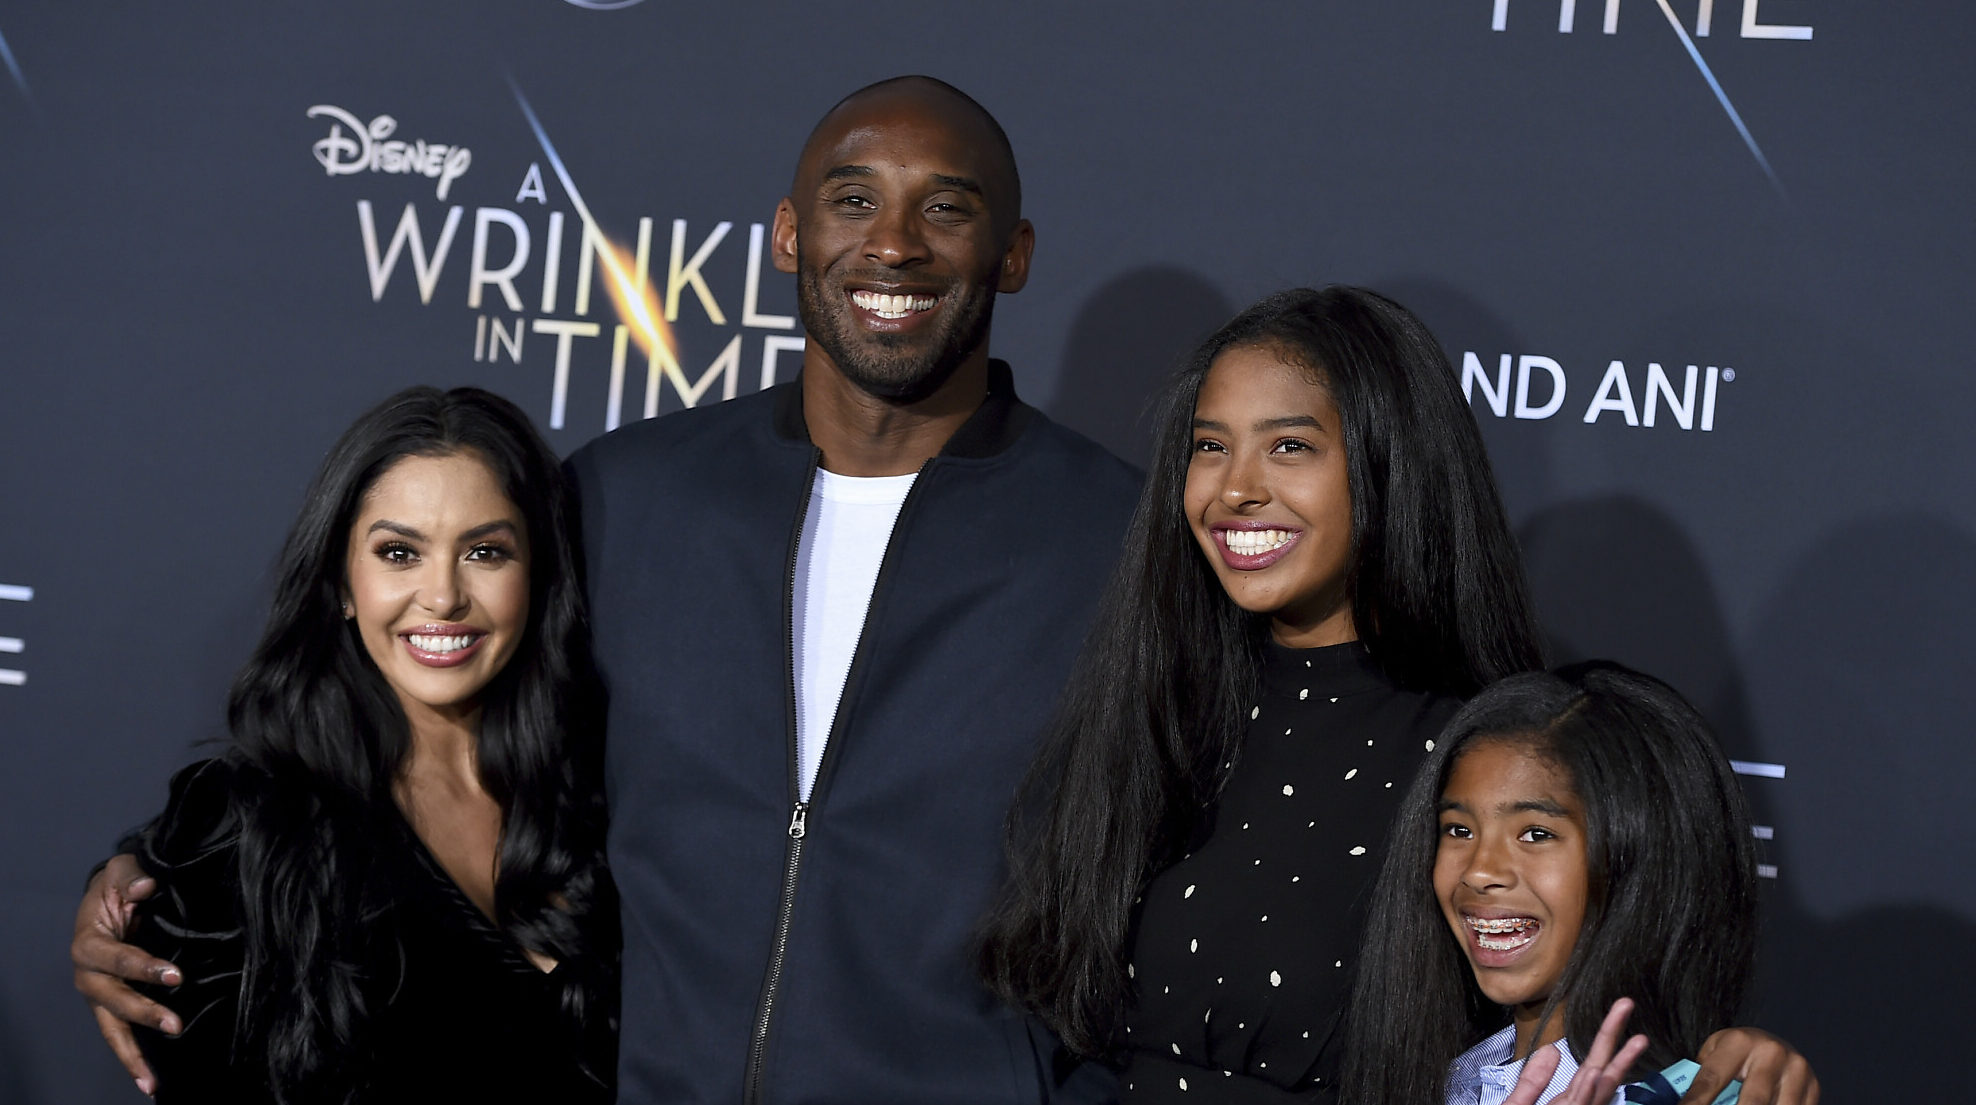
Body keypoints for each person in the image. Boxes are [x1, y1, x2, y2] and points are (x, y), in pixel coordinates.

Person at [77, 77, 1137, 1103]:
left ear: (1013, 254)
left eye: (946, 207)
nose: (894, 241)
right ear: (784, 235)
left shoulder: (1120, 543)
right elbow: (433, 729)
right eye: (852, 199)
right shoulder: (625, 493)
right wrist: (158, 875)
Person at [978, 287, 1816, 1104]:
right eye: (1210, 445)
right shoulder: (1160, 706)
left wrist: (1725, 1055)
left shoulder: (1478, 754)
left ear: (1388, 463)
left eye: (1290, 447)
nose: (1235, 489)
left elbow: (1611, 1024)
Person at [110, 386, 615, 1102]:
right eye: (400, 552)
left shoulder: (607, 806)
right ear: (343, 584)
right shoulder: (247, 829)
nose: (442, 596)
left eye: (484, 551)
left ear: (535, 577)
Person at [1342, 661, 1786, 1105]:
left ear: (1643, 860)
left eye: (1536, 834)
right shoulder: (1448, 1079)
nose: (1479, 871)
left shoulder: (1699, 1096)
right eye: (1459, 830)